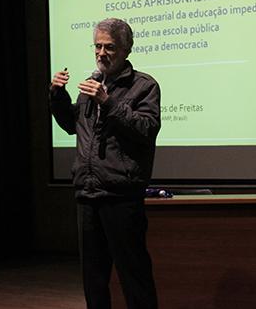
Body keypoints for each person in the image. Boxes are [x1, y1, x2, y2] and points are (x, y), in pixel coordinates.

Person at [49, 18, 160, 309]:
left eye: (109, 47)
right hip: (88, 194)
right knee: (94, 280)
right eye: (97, 46)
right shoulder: (91, 84)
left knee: (133, 277)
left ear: (125, 49)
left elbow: (146, 130)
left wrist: (108, 102)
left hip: (121, 196)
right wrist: (57, 96)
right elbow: (73, 126)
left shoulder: (143, 86)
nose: (101, 53)